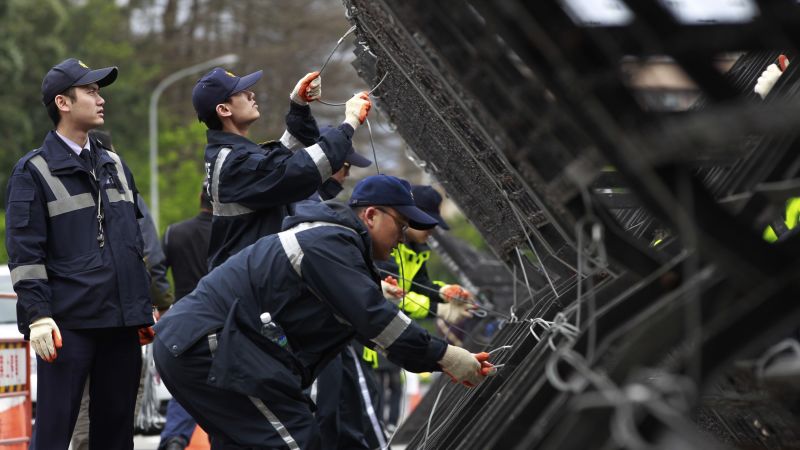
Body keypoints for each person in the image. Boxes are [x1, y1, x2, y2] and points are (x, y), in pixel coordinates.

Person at [153, 175, 493, 449]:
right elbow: (375, 320)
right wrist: (447, 355)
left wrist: (437, 358)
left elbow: (368, 327)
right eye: (401, 225)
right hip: (210, 345)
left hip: (197, 344)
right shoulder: (328, 242)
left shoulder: (332, 243)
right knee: (298, 440)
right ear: (371, 215)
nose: (403, 238)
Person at [5, 58, 152, 449]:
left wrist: (142, 304)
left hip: (120, 325)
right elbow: (25, 253)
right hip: (68, 325)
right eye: (90, 91)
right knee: (54, 433)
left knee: (117, 436)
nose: (100, 98)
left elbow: (133, 241)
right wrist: (38, 316)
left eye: (98, 90)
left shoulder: (115, 164)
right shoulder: (33, 171)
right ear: (63, 102)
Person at [193, 67, 372, 268]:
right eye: (241, 93)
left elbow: (284, 154)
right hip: (248, 285)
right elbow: (299, 170)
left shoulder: (232, 154)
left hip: (250, 276)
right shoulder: (233, 163)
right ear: (224, 110)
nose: (252, 94)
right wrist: (349, 123)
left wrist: (299, 105)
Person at [70, 129, 173, 450]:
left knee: (83, 398)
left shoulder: (63, 186)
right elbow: (150, 255)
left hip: (77, 314)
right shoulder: (123, 189)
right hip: (122, 314)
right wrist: (160, 303)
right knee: (119, 400)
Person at [157, 186, 214, 450]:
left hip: (181, 319)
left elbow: (154, 269)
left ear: (199, 198)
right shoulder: (228, 233)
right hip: (219, 317)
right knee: (224, 388)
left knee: (186, 384)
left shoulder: (174, 233)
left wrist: (163, 305)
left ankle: (175, 439)